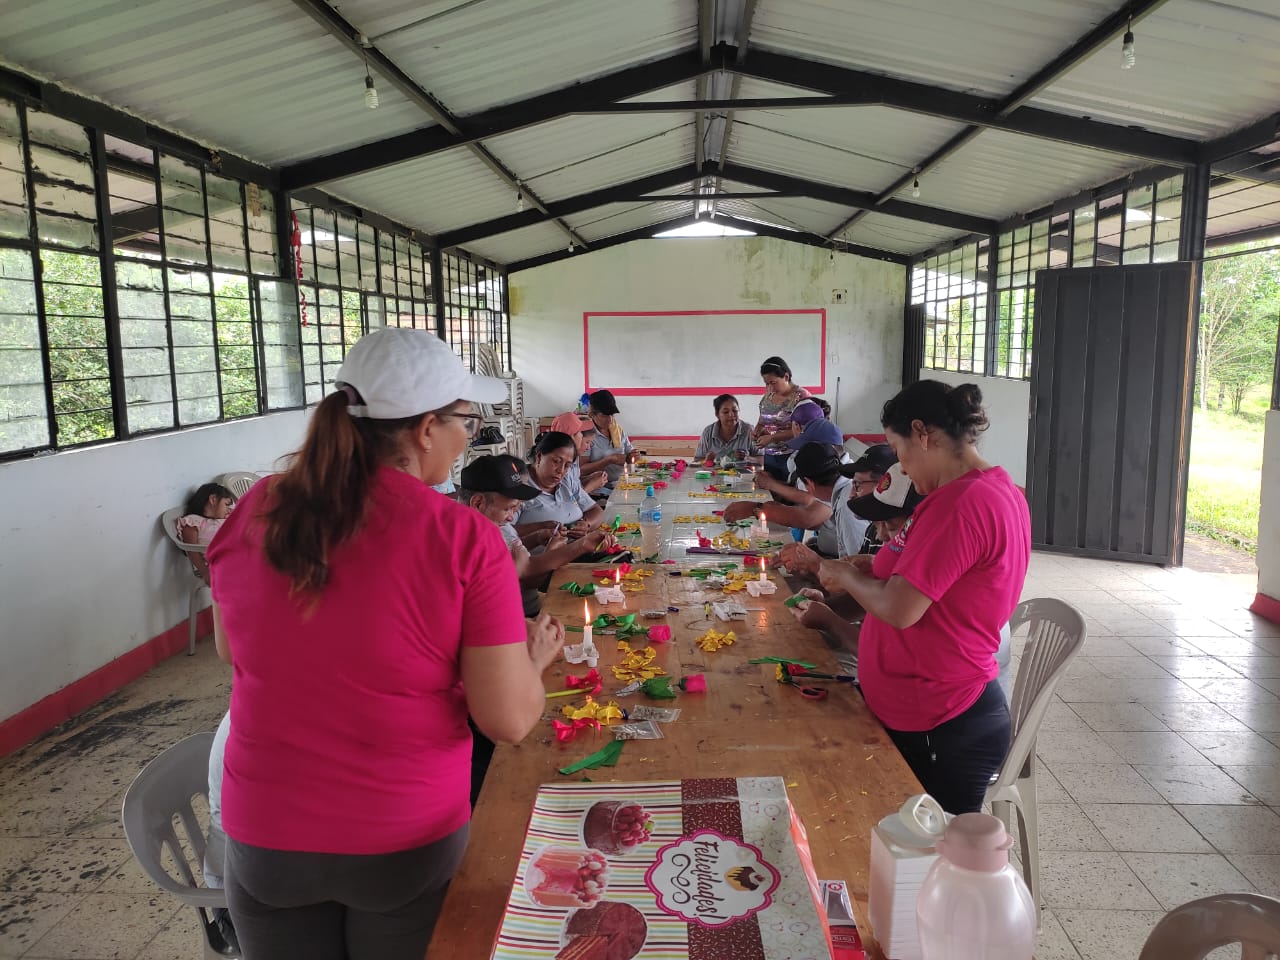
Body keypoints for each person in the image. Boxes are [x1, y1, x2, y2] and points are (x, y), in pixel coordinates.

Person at [206, 327, 566, 960]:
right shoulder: (461, 536)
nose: (467, 437)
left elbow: (232, 651)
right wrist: (531, 663)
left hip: (265, 831)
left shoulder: (259, 505)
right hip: (400, 835)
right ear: (426, 429)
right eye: (466, 421)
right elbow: (508, 720)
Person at [798, 380, 1030, 815]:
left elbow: (899, 609)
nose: (901, 465)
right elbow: (944, 578)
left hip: (941, 719)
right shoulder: (988, 489)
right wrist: (872, 566)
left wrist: (846, 575)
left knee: (927, 848)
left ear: (922, 433)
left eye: (898, 449)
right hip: (929, 708)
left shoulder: (961, 504)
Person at [787, 461, 925, 659]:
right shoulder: (891, 552)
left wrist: (831, 621)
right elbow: (868, 602)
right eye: (877, 524)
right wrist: (825, 607)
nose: (880, 535)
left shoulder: (924, 572)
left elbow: (888, 654)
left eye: (891, 526)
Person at [724, 443, 869, 558]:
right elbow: (818, 518)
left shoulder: (846, 505)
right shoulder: (837, 485)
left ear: (809, 483)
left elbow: (858, 567)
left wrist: (815, 566)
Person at [515, 431, 607, 539]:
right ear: (539, 457)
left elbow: (596, 510)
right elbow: (503, 532)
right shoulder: (518, 487)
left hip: (577, 546)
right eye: (556, 461)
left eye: (567, 465)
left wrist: (587, 524)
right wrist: (540, 528)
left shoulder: (566, 481)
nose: (561, 470)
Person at [177, 482, 235, 584]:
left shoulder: (221, 520)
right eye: (226, 504)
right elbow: (191, 549)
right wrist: (205, 572)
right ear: (213, 499)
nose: (229, 510)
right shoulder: (193, 521)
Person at [750, 356, 812, 447]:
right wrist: (757, 432)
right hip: (768, 452)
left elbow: (806, 429)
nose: (770, 388)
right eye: (767, 383)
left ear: (786, 377)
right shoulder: (768, 396)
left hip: (794, 452)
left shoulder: (802, 397)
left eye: (773, 383)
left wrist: (772, 438)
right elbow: (761, 422)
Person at [584, 389, 634, 497]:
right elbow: (581, 470)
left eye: (612, 415)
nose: (610, 420)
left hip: (622, 484)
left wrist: (633, 456)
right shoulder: (587, 435)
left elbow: (630, 453)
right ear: (592, 414)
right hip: (599, 490)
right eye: (605, 415)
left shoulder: (618, 430)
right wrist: (609, 460)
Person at [549, 411, 609, 496]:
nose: (588, 448)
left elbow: (574, 485)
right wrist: (592, 486)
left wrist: (590, 478)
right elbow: (570, 500)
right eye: (580, 433)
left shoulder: (574, 457)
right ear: (572, 437)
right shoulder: (561, 466)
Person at [695, 394, 757, 461]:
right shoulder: (708, 432)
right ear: (717, 414)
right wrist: (706, 460)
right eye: (726, 412)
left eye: (735, 410)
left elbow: (761, 459)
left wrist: (747, 458)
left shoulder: (749, 430)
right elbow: (697, 460)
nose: (731, 415)